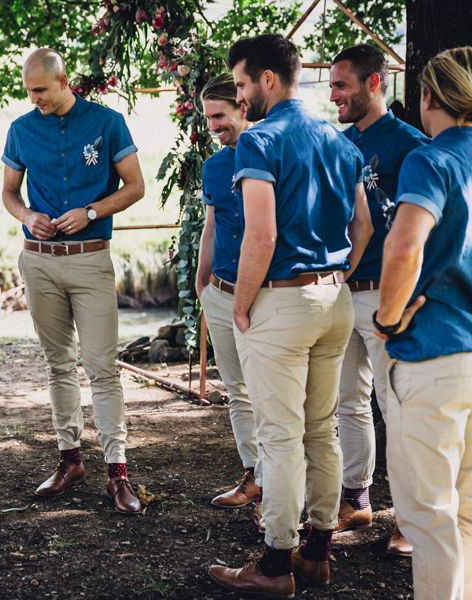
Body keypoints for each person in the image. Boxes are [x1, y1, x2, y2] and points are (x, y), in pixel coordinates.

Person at [208, 34, 372, 597]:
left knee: (279, 437)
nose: (240, 93)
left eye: (242, 83)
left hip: (281, 299)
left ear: (268, 80)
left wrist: (240, 302)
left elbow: (261, 234)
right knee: (320, 430)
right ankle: (317, 554)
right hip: (334, 301)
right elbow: (364, 228)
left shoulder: (258, 141)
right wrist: (334, 280)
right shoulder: (338, 137)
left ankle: (275, 565)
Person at [1, 48, 146, 514]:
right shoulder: (21, 129)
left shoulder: (107, 122)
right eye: (28, 91)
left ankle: (117, 472)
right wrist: (27, 215)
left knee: (102, 367)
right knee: (57, 364)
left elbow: (135, 186)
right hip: (38, 260)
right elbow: (8, 191)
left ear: (63, 81)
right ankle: (69, 460)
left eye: (40, 90)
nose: (34, 98)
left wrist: (91, 212)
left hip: (89, 260)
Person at [375, 46, 472, 600]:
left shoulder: (432, 159)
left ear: (427, 97)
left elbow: (404, 245)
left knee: (430, 520)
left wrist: (388, 317)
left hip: (436, 354)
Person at [329, 44, 428, 555]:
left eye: (342, 85)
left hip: (388, 296)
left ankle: (410, 519)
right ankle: (357, 497)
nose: (333, 95)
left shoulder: (412, 145)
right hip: (341, 292)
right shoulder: (338, 143)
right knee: (348, 402)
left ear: (374, 82)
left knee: (397, 404)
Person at [195, 74, 261, 514]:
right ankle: (254, 474)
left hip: (264, 296)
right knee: (237, 390)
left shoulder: (271, 154)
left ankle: (283, 485)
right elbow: (212, 226)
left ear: (242, 106)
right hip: (219, 291)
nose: (214, 126)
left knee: (270, 394)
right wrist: (202, 286)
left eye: (219, 115)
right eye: (208, 119)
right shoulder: (215, 165)